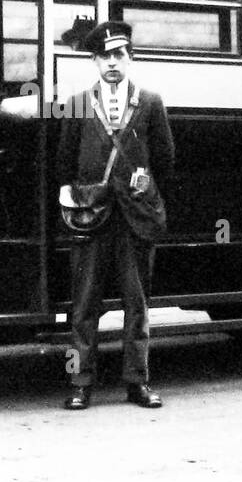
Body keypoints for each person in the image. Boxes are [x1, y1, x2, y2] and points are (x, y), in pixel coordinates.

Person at [58, 20, 174, 411]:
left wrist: (142, 186)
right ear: (94, 61)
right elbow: (64, 161)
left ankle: (137, 383)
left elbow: (165, 160)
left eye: (119, 55)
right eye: (104, 56)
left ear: (130, 58)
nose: (112, 63)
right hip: (92, 217)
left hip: (135, 218)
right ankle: (79, 385)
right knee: (84, 306)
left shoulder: (151, 102)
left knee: (136, 305)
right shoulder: (77, 102)